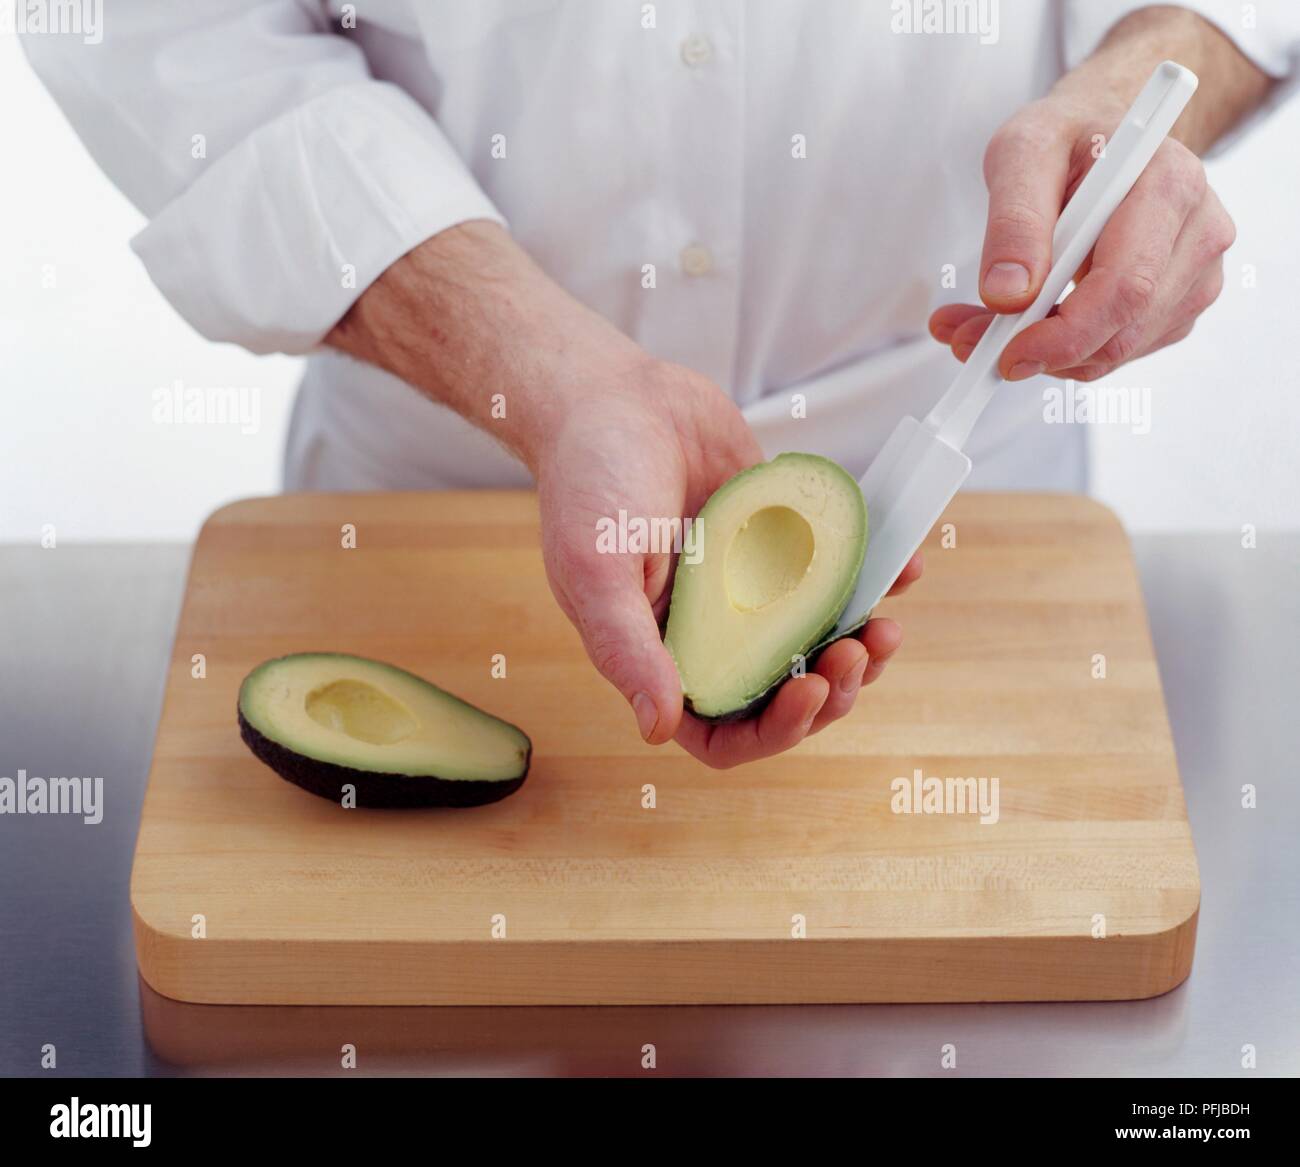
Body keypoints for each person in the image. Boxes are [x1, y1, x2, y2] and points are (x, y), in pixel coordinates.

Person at [24, 2, 1295, 767]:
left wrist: (1134, 106)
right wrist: (553, 377)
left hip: (992, 503)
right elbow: (173, 33)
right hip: (439, 479)